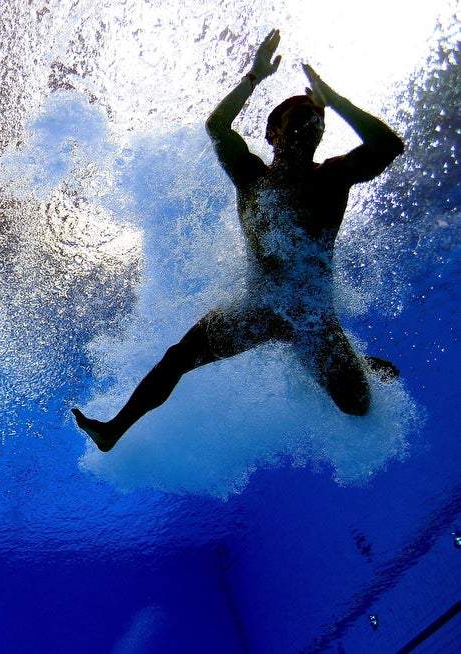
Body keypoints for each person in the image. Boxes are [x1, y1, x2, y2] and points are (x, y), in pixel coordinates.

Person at [73, 29, 404, 453]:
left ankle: (354, 364)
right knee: (178, 358)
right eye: (297, 115)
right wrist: (254, 77)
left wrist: (334, 99)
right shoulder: (251, 177)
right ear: (273, 134)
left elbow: (388, 144)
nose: (311, 120)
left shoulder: (333, 177)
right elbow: (216, 125)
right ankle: (113, 431)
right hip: (258, 309)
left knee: (357, 407)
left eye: (316, 117)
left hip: (313, 317)